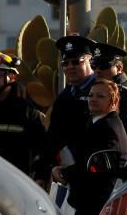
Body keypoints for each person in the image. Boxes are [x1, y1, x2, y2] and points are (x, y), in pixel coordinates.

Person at [52, 78, 127, 215]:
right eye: (91, 95)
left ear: (113, 101)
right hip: (87, 201)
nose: (93, 99)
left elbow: (98, 167)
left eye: (100, 96)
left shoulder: (109, 127)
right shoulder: (95, 122)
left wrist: (64, 174)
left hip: (97, 203)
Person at [39, 35, 99, 188]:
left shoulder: (103, 91)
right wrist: (42, 174)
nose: (70, 67)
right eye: (65, 63)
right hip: (67, 176)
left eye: (76, 62)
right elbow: (53, 137)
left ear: (90, 61)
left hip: (97, 175)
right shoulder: (64, 97)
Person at [92, 42, 127, 147]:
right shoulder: (109, 89)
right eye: (94, 65)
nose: (97, 70)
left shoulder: (122, 93)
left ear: (119, 68)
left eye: (104, 65)